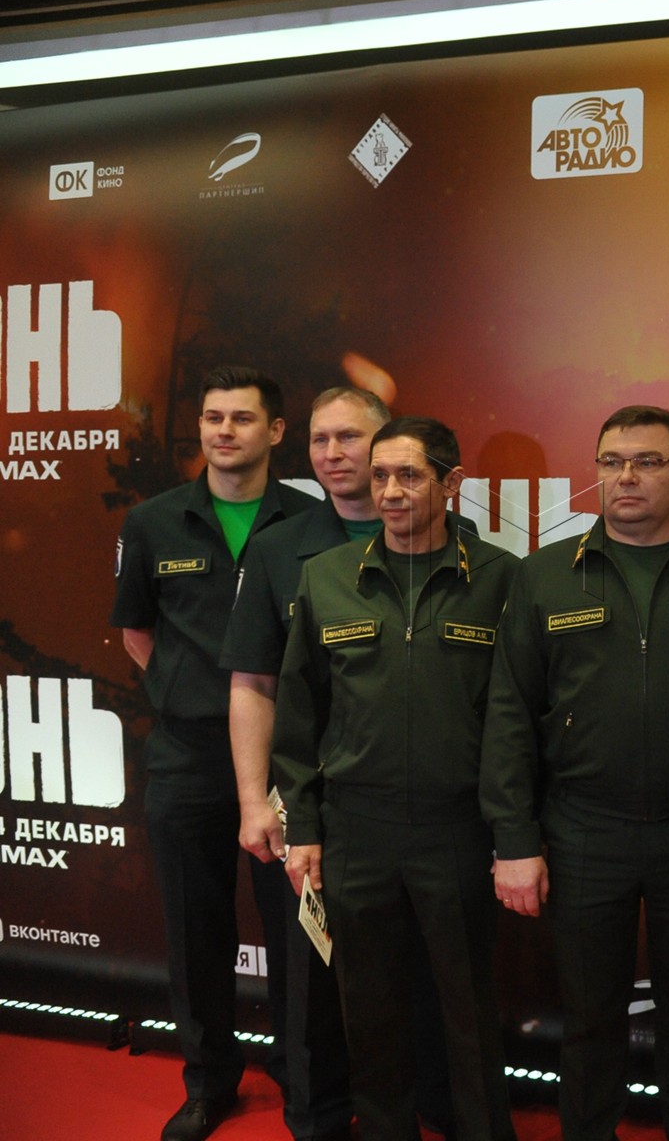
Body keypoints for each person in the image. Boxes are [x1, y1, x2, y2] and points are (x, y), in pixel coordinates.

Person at [481, 405, 669, 1141]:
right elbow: (509, 714)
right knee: (590, 1018)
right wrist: (515, 839)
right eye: (611, 462)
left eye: (646, 461)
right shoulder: (545, 575)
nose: (626, 476)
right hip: (582, 831)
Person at [219, 386, 457, 1139]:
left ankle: (433, 1103)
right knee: (310, 977)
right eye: (319, 439)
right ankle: (319, 1116)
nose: (331, 454)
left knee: (426, 976)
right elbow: (255, 684)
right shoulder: (278, 547)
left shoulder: (460, 548)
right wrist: (256, 801)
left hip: (424, 813)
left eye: (349, 438)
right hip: (315, 808)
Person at [273, 416, 520, 1141]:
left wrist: (513, 834)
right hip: (357, 830)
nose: (388, 491)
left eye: (408, 476)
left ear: (451, 483)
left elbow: (517, 721)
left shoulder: (502, 579)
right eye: (379, 475)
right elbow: (297, 715)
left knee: (469, 1011)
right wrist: (304, 828)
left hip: (457, 829)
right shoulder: (325, 577)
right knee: (370, 1010)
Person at [110, 366, 319, 1141]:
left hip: (289, 756)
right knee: (194, 930)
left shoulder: (313, 520)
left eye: (241, 418)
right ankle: (208, 1082)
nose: (223, 431)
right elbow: (137, 634)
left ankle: (304, 1082)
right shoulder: (152, 522)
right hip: (186, 754)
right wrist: (191, 692)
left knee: (298, 934)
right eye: (211, 417)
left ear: (276, 430)